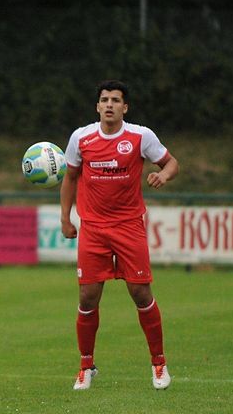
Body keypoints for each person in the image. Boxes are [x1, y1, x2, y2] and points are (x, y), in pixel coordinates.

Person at [59, 79, 179, 391]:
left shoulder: (141, 136)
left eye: (115, 100)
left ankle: (159, 364)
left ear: (125, 107)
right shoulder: (81, 138)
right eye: (104, 100)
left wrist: (163, 175)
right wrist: (65, 218)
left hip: (128, 226)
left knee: (141, 293)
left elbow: (171, 163)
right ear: (97, 106)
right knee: (87, 297)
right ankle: (86, 366)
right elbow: (70, 177)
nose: (109, 105)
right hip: (93, 228)